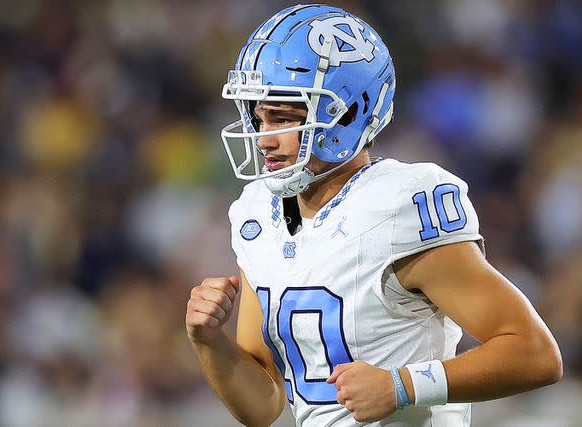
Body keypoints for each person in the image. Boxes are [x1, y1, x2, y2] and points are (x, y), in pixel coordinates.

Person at [186, 4, 562, 427]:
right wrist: (209, 341)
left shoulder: (398, 204)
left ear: (345, 113)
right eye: (258, 117)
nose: (263, 138)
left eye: (283, 117)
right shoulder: (258, 214)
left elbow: (534, 352)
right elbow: (264, 406)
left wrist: (403, 385)